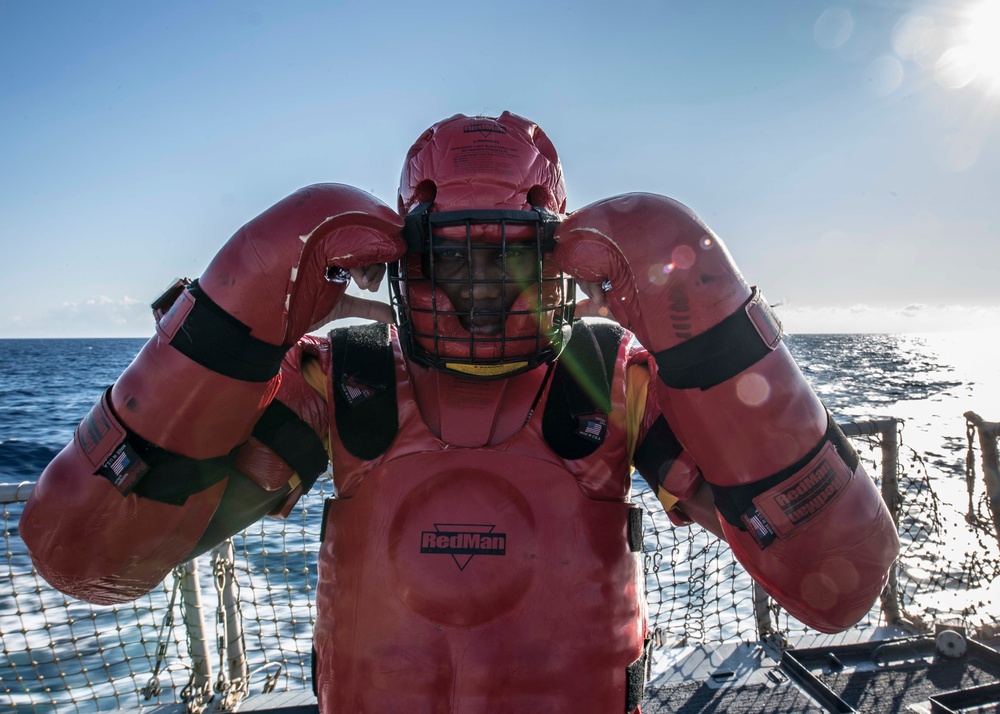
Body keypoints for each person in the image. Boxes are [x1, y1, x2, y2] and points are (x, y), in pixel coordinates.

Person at [21, 112, 900, 713]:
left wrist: (711, 330)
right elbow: (83, 556)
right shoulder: (346, 383)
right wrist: (226, 324)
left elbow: (839, 582)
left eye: (505, 261)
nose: (480, 288)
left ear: (554, 262)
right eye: (455, 260)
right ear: (405, 260)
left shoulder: (608, 382)